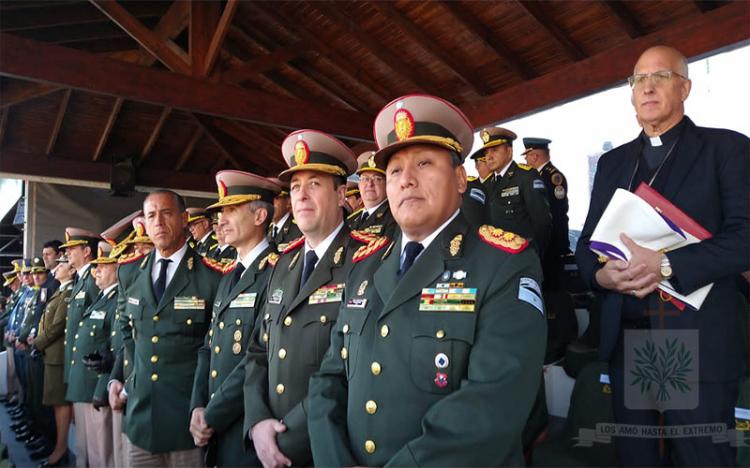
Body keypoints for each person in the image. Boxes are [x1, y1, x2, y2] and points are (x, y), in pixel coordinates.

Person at [308, 94, 547, 466]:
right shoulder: (365, 266)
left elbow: (491, 408)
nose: (407, 181)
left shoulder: (504, 264)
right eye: (395, 171)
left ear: (460, 179)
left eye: (424, 163)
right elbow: (328, 380)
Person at [575, 45, 750, 466]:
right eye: (638, 79)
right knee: (639, 457)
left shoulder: (725, 149)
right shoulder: (614, 163)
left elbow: (746, 236)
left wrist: (668, 264)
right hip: (630, 334)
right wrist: (602, 278)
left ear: (685, 87)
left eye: (662, 77)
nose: (648, 86)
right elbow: (585, 247)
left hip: (693, 333)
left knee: (701, 455)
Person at [243, 129, 357, 467]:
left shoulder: (365, 262)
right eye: (295, 187)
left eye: (314, 184)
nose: (301, 195)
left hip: (326, 445)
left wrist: (285, 436)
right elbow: (258, 350)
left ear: (341, 194)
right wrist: (258, 422)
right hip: (268, 441)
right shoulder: (282, 264)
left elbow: (354, 371)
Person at [109, 190, 222, 466]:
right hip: (141, 417)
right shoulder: (129, 272)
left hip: (187, 419)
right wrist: (122, 378)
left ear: (184, 219)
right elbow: (127, 331)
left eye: (166, 213)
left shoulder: (212, 275)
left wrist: (203, 404)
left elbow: (214, 348)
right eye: (151, 215)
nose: (158, 222)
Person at [189, 170, 280, 467]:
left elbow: (257, 356)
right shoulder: (229, 276)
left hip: (246, 427)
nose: (221, 220)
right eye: (220, 213)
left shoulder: (276, 273)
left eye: (231, 211)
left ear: (259, 217)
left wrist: (212, 414)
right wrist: (198, 406)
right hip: (215, 422)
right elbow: (209, 346)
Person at [66, 242, 120, 467]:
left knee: (102, 452)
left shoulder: (117, 300)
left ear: (118, 268)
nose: (96, 271)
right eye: (96, 266)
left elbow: (113, 348)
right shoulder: (103, 297)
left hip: (97, 385)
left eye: (104, 266)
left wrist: (101, 388)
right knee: (86, 449)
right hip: (84, 383)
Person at [59, 227, 101, 468]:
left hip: (89, 370)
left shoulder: (93, 279)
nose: (68, 255)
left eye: (72, 250)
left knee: (94, 443)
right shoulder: (81, 280)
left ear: (87, 251)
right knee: (84, 441)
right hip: (78, 367)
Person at [478, 127, 551, 254]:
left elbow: (542, 222)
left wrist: (534, 255)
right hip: (497, 258)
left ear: (509, 151)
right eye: (486, 153)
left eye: (494, 150)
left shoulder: (526, 176)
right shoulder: (489, 184)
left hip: (523, 256)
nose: (489, 157)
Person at [33, 257, 76, 467]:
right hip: (51, 354)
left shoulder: (68, 293)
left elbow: (58, 325)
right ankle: (59, 447)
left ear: (71, 271)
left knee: (61, 403)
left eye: (62, 265)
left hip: (58, 356)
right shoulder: (61, 291)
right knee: (55, 403)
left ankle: (60, 450)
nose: (57, 268)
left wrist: (37, 343)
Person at [522, 137, 570, 291]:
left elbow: (556, 213)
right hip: (543, 242)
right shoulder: (538, 176)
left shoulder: (553, 177)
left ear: (534, 156)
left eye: (527, 156)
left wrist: (549, 243)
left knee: (553, 288)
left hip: (552, 244)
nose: (526, 160)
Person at [346, 151, 397, 237]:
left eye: (377, 179)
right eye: (365, 179)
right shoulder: (351, 220)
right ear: (359, 185)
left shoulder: (394, 217)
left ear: (387, 184)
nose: (370, 184)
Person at [266, 178, 302, 252]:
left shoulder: (299, 229)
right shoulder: (265, 230)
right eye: (267, 200)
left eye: (276, 198)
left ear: (288, 201)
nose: (270, 204)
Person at [461, 150, 492, 227]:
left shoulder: (501, 181)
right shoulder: (468, 185)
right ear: (477, 166)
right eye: (486, 162)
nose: (490, 164)